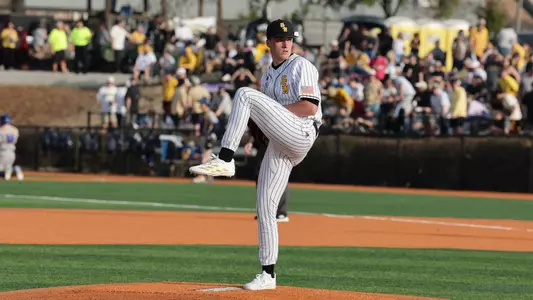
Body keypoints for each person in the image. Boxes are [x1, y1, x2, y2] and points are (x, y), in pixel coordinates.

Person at [189, 19, 321, 290]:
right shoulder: (268, 75)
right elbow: (263, 118)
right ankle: (268, 275)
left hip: (302, 132)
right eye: (280, 39)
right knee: (265, 208)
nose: (286, 43)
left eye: (289, 39)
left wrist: (273, 114)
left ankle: (225, 159)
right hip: (281, 143)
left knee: (244, 95)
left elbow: (309, 107)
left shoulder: (301, 66)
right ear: (268, 42)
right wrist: (254, 134)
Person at [0, 114, 23, 181]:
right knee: (7, 168)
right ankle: (15, 169)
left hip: (3, 151)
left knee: (2, 170)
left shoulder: (1, 129)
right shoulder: (15, 129)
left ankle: (12, 170)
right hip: (12, 151)